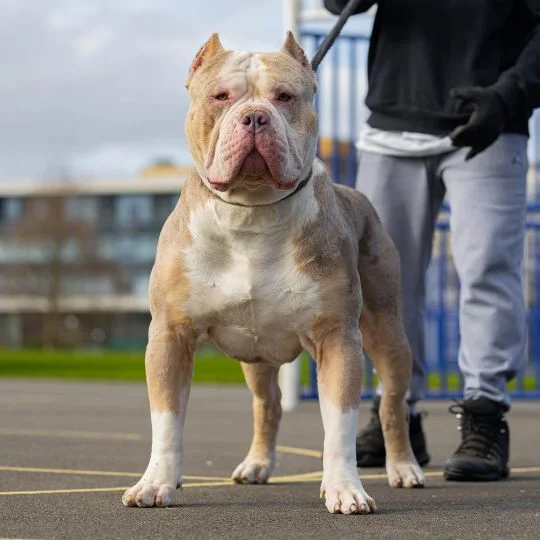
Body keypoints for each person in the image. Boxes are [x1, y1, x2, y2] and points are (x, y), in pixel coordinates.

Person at [324, 0, 540, 481]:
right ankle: (396, 415)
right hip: (392, 122)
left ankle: (485, 415)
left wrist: (509, 95)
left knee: (487, 269)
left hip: (491, 122)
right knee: (381, 284)